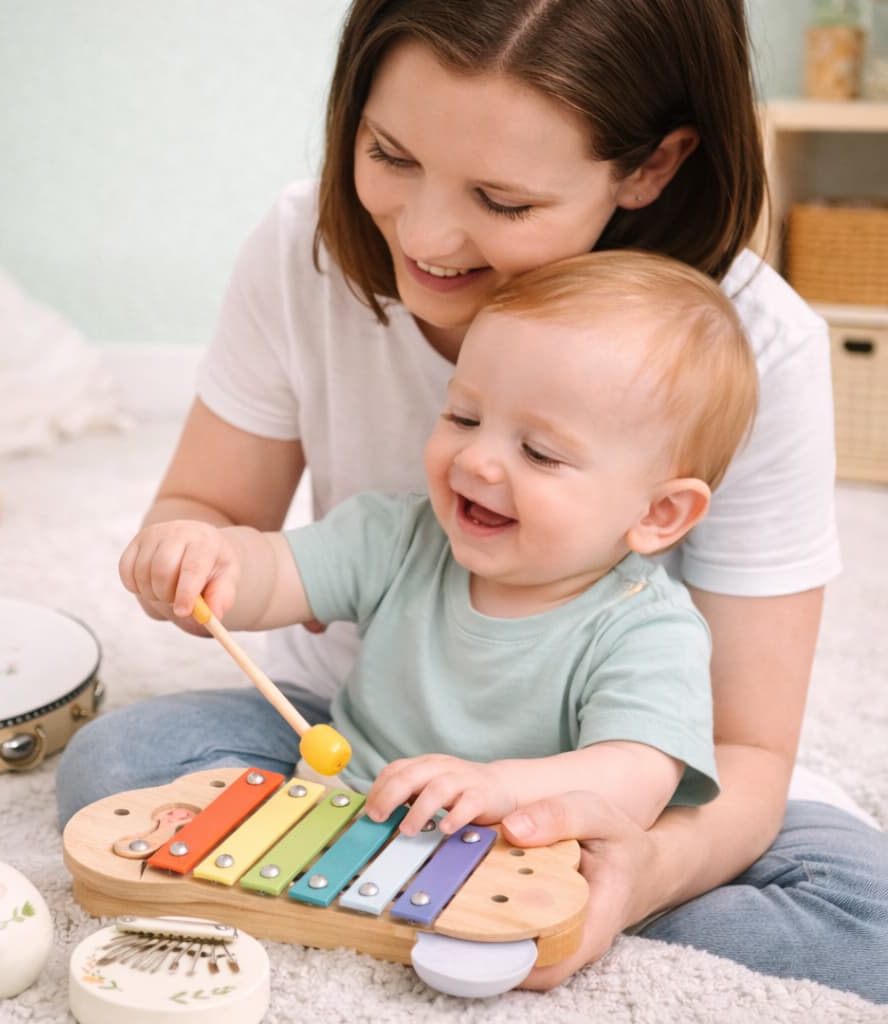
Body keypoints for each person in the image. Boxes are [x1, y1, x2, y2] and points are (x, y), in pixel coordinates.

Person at [57, 0, 888, 1003]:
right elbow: (235, 538)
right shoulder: (386, 485)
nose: (427, 233)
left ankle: (482, 896)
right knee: (124, 764)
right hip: (357, 751)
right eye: (390, 154)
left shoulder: (752, 356)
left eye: (501, 199)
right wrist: (195, 557)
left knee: (864, 922)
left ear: (651, 166)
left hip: (591, 797)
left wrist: (619, 875)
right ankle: (412, 888)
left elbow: (723, 753)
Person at [120, 251, 756, 839]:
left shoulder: (649, 630)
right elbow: (273, 576)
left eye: (539, 452)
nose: (477, 460)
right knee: (124, 755)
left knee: (824, 907)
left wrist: (499, 787)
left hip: (507, 846)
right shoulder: (397, 535)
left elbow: (637, 779)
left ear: (660, 512)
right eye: (464, 418)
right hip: (343, 804)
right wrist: (212, 557)